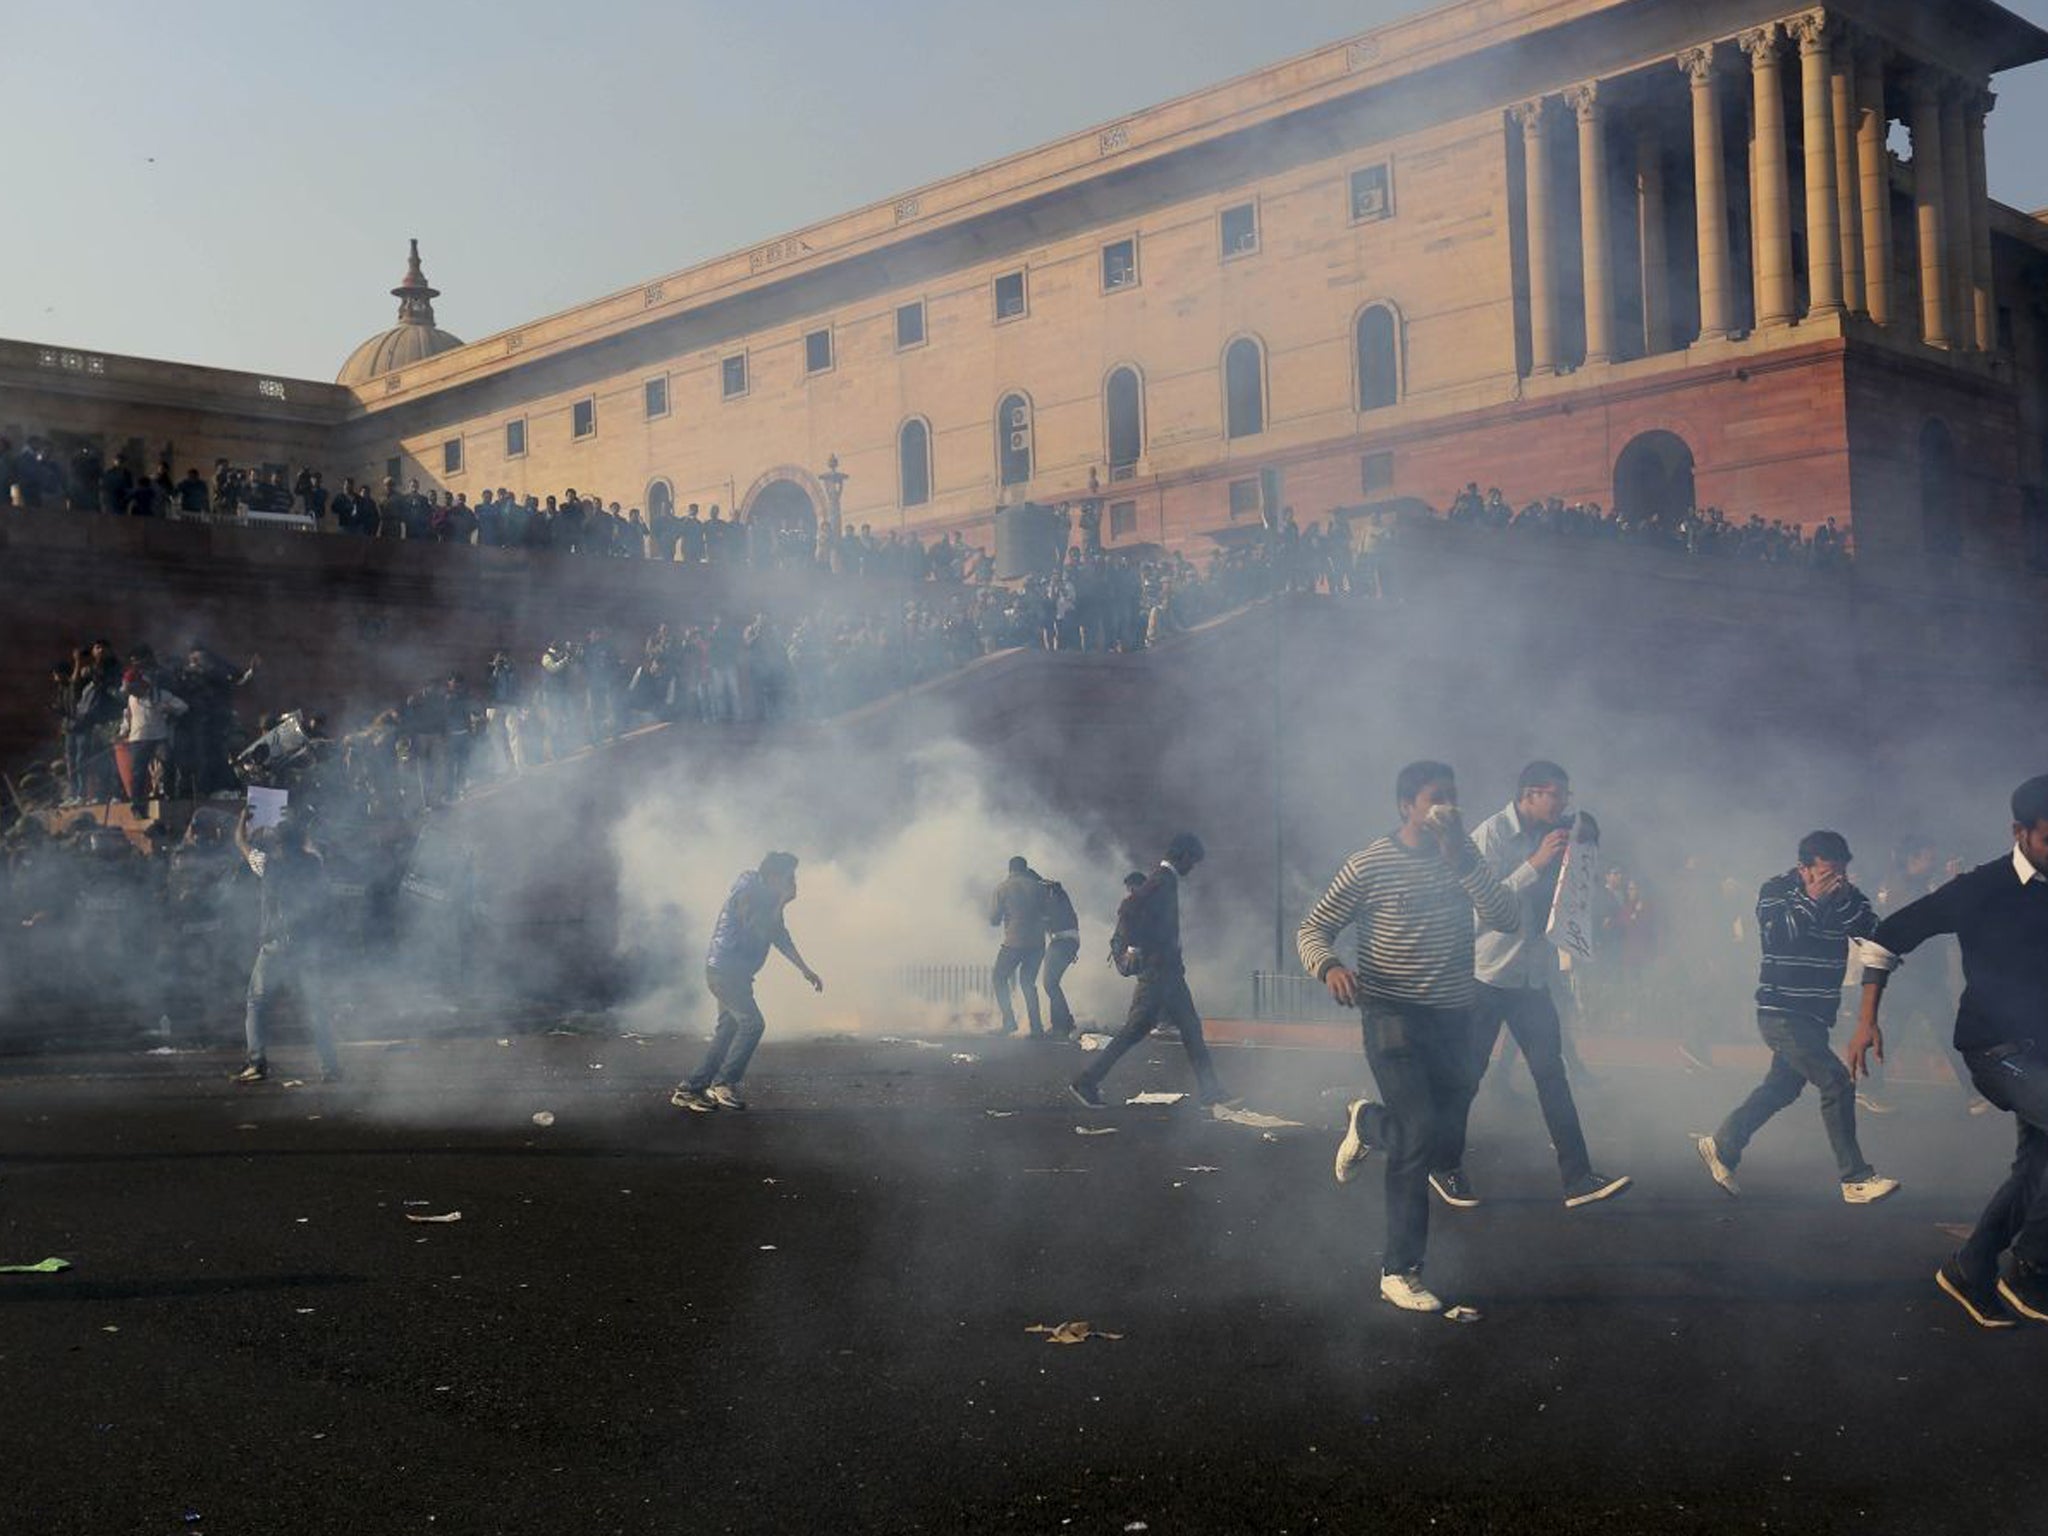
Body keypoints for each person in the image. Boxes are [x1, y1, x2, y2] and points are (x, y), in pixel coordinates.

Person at [1298, 761, 1519, 1314]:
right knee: (1418, 1132)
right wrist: (1329, 967)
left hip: (1454, 1017)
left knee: (1445, 1140)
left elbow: (1508, 917)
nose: (1446, 806)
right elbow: (1313, 927)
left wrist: (1462, 861)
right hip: (1391, 1011)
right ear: (1406, 807)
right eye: (1434, 798)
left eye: (1452, 796)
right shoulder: (1370, 864)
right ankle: (1400, 1270)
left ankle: (1367, 1122)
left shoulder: (1465, 857)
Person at [1849, 777, 2048, 1329]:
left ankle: (1972, 1266)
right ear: (2020, 832)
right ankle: (2031, 1266)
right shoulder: (1979, 888)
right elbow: (1887, 937)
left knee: (2037, 1166)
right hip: (1996, 1049)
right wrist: (1867, 1021)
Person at [1442, 762, 1630, 1209]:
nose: (1564, 802)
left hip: (1533, 979)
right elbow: (1473, 910)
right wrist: (1534, 864)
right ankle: (1443, 1165)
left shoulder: (1558, 832)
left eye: (1566, 795)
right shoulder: (1490, 836)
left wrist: (1582, 849)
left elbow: (1583, 869)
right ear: (1530, 794)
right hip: (1486, 977)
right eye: (1557, 795)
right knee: (1466, 1079)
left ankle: (1578, 1178)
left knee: (1552, 1076)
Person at [1693, 832, 1897, 1205]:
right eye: (1825, 872)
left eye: (1840, 872)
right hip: (1781, 1012)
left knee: (1782, 1088)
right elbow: (1779, 935)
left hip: (1817, 1014)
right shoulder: (1777, 891)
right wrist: (1813, 897)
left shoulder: (1845, 897)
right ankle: (1855, 1178)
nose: (1834, 880)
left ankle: (1723, 1144)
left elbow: (1870, 932)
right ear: (1803, 868)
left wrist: (1844, 898)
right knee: (1836, 1081)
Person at [1069, 832, 1233, 1109]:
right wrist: (1134, 948)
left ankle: (1210, 1090)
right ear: (1182, 856)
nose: (1191, 868)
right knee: (1177, 1029)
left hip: (1165, 972)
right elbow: (1129, 907)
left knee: (1173, 1029)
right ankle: (1087, 1081)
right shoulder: (1162, 879)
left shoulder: (1164, 879)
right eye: (1191, 861)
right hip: (1160, 974)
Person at [671, 852, 823, 1112]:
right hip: (726, 973)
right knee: (753, 1024)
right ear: (773, 876)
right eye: (790, 876)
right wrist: (782, 903)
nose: (794, 882)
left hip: (735, 974)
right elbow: (758, 928)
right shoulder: (748, 894)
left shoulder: (766, 895)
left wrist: (804, 969)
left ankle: (690, 1090)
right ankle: (724, 1083)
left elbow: (779, 935)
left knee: (728, 1031)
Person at [232, 804, 340, 1084]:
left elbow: (240, 842)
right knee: (316, 1006)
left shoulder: (268, 864)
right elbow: (311, 847)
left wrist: (244, 818)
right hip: (307, 945)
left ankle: (257, 1064)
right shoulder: (315, 862)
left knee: (256, 1002)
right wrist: (299, 824)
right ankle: (330, 1067)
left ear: (277, 842)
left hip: (276, 945)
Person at [989, 855, 1048, 1037]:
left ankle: (1009, 1022)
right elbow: (1048, 913)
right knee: (1028, 983)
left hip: (1014, 942)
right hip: (1037, 943)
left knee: (999, 978)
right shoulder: (1039, 888)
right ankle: (1036, 1028)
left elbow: (994, 920)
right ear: (1025, 868)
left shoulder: (1002, 888)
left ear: (1010, 869)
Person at [1040, 875, 1081, 1040]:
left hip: (1061, 942)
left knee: (1050, 983)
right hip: (1066, 942)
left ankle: (1063, 1023)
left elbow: (1047, 920)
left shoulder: (1054, 899)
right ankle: (1060, 1024)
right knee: (1052, 983)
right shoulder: (1060, 897)